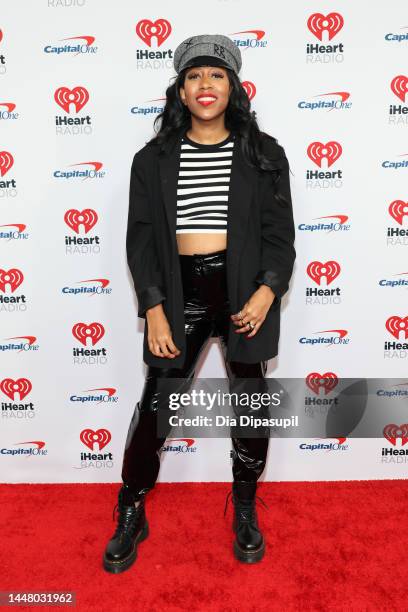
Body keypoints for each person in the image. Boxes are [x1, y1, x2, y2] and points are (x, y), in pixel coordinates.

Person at [103, 33, 296, 573]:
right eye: (194, 76)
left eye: (216, 75)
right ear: (181, 92)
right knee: (156, 409)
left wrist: (266, 291)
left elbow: (280, 233)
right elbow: (139, 239)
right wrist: (155, 306)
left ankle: (245, 506)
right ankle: (131, 508)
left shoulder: (263, 153)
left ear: (232, 87)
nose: (205, 84)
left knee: (250, 401)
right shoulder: (153, 158)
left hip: (244, 291)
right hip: (178, 290)